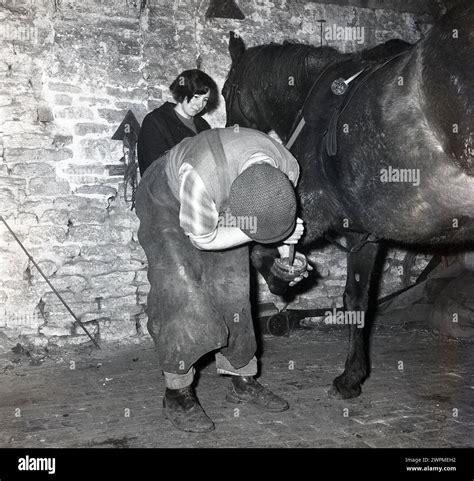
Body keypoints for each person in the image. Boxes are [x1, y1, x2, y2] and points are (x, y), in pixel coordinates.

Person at [135, 126, 311, 433]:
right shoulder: (200, 177)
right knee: (179, 287)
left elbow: (283, 222)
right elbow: (203, 238)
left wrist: (288, 258)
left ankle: (242, 380)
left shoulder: (287, 167)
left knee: (234, 287)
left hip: (226, 195)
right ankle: (177, 393)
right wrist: (251, 231)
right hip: (167, 195)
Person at [137, 69, 219, 175]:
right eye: (196, 97)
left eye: (205, 100)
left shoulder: (203, 126)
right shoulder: (155, 122)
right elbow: (155, 170)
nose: (200, 104)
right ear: (183, 93)